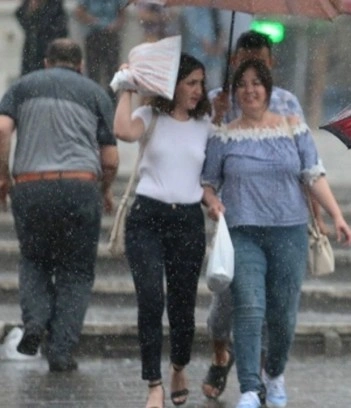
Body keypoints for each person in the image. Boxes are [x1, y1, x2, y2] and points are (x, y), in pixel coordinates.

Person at [201, 59, 351, 408]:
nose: (249, 90)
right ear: (234, 92)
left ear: (269, 90)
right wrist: (213, 203)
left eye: (257, 83)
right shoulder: (223, 136)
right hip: (243, 232)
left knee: (283, 315)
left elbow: (313, 175)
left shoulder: (293, 128)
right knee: (249, 307)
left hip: (289, 232)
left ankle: (274, 374)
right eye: (242, 84)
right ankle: (248, 388)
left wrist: (337, 217)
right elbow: (208, 183)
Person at [0, 38, 119, 372]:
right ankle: (62, 352)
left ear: (46, 63)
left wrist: (3, 177)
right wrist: (105, 190)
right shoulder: (96, 93)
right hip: (79, 186)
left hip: (31, 186)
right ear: (80, 65)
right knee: (76, 271)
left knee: (34, 261)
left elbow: (1, 130)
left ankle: (35, 321)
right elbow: (110, 159)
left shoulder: (23, 87)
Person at [113, 53, 212, 408]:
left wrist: (213, 202)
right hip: (147, 219)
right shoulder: (149, 116)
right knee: (151, 299)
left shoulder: (207, 126)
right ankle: (153, 383)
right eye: (191, 83)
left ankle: (179, 366)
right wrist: (126, 87)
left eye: (201, 83)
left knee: (183, 305)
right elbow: (122, 131)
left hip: (188, 221)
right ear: (173, 85)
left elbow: (210, 177)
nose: (198, 90)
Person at [74, 0, 125, 91]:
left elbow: (122, 13)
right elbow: (79, 11)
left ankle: (112, 99)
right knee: (93, 71)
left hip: (111, 36)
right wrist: (93, 21)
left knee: (112, 72)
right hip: (93, 35)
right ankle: (93, 97)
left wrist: (115, 25)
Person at [14, 0, 68, 75]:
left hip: (49, 51)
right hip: (31, 51)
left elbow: (57, 30)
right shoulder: (28, 4)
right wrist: (31, 11)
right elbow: (23, 21)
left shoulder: (56, 7)